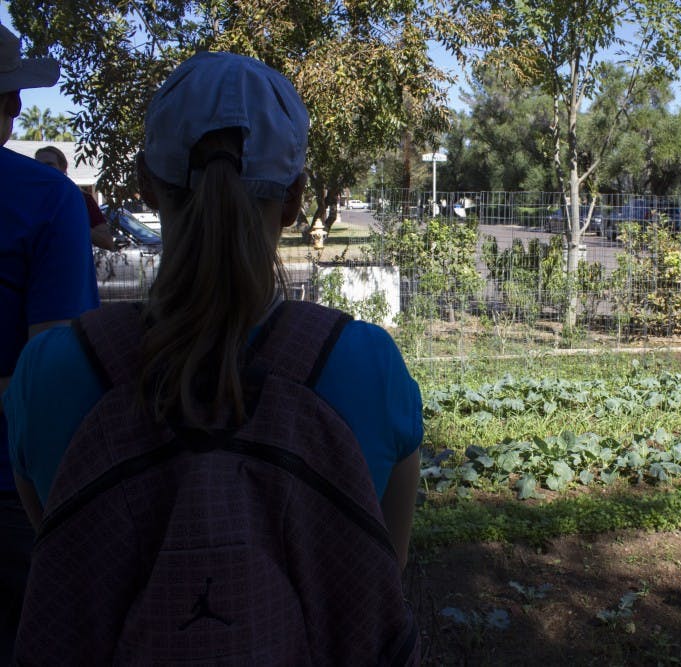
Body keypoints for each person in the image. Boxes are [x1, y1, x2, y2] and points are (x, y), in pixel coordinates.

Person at [5, 52, 422, 661]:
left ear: (146, 182)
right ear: (295, 198)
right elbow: (385, 567)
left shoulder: (47, 374)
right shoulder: (367, 365)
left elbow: (62, 551)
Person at [0, 23, 99, 663]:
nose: (14, 107)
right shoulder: (44, 199)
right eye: (8, 92)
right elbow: (53, 381)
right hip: (12, 498)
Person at [34, 145, 116, 250]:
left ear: (63, 167)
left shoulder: (81, 198)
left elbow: (107, 242)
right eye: (38, 165)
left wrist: (75, 223)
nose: (44, 169)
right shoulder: (29, 200)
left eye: (50, 164)